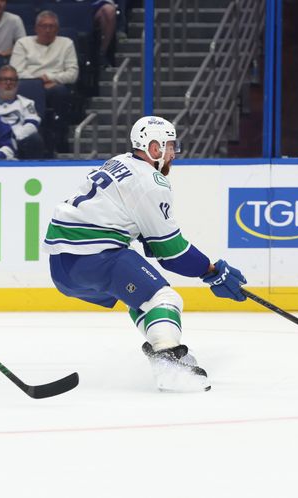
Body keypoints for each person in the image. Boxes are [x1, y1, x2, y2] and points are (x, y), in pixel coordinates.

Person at [43, 116, 247, 392]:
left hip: (62, 266)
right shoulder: (152, 182)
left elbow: (136, 228)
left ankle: (166, 346)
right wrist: (212, 271)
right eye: (170, 147)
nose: (174, 154)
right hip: (95, 255)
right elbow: (171, 253)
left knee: (141, 299)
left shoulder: (119, 162)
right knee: (164, 298)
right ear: (154, 148)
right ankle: (168, 361)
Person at [10, 10, 78, 152]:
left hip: (54, 89)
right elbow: (16, 72)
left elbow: (73, 74)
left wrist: (50, 78)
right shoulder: (23, 43)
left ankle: (59, 138)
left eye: (51, 26)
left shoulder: (66, 43)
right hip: (28, 87)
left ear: (57, 29)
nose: (47, 30)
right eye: (43, 26)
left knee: (60, 92)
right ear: (36, 28)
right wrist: (40, 82)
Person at [0, 65, 45, 159]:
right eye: (4, 79)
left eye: (12, 80)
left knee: (35, 138)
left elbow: (32, 124)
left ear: (17, 83)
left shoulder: (27, 103)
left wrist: (13, 137)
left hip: (19, 141)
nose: (8, 83)